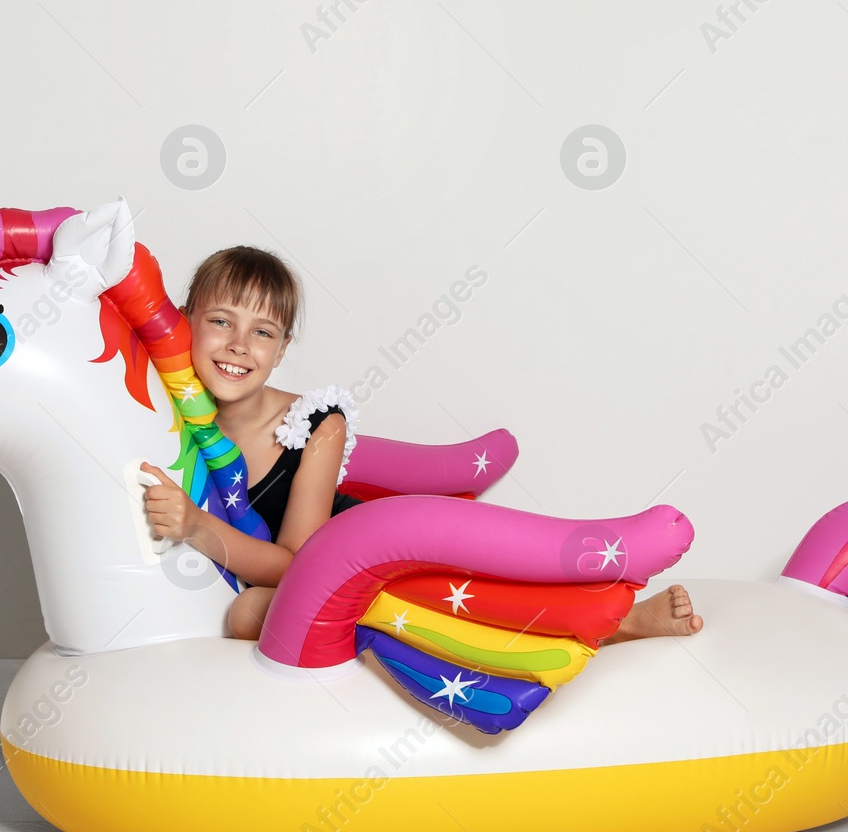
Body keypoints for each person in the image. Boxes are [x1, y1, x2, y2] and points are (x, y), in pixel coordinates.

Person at [138, 245, 703, 644]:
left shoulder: (316, 422)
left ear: (282, 349)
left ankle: (622, 611)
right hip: (322, 594)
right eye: (220, 321)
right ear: (187, 324)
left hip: (381, 550)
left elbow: (295, 566)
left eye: (262, 331)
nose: (239, 345)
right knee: (247, 614)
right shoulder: (170, 409)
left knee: (477, 585)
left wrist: (195, 528)